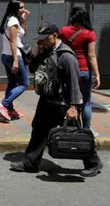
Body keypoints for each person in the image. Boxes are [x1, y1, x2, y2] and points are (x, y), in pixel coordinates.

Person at [11, 22, 103, 177]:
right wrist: (37, 50)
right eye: (39, 39)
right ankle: (31, 162)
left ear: (55, 36)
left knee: (74, 134)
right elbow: (32, 68)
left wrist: (73, 107)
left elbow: (74, 82)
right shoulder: (46, 50)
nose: (41, 41)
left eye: (44, 39)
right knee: (39, 131)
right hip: (47, 100)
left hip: (64, 104)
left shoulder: (66, 56)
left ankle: (93, 162)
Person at [60, 7, 101, 131]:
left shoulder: (63, 31)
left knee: (68, 99)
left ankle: (68, 128)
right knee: (86, 101)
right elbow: (91, 55)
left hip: (67, 69)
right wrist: (97, 74)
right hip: (83, 70)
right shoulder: (89, 33)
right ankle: (86, 130)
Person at [0, 0, 30, 122]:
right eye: (21, 7)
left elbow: (22, 34)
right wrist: (16, 60)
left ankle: (9, 109)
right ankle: (4, 104)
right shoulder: (13, 21)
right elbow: (13, 41)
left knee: (12, 82)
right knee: (24, 83)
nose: (23, 9)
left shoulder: (10, 20)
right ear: (15, 8)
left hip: (6, 55)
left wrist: (24, 20)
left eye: (24, 7)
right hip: (13, 56)